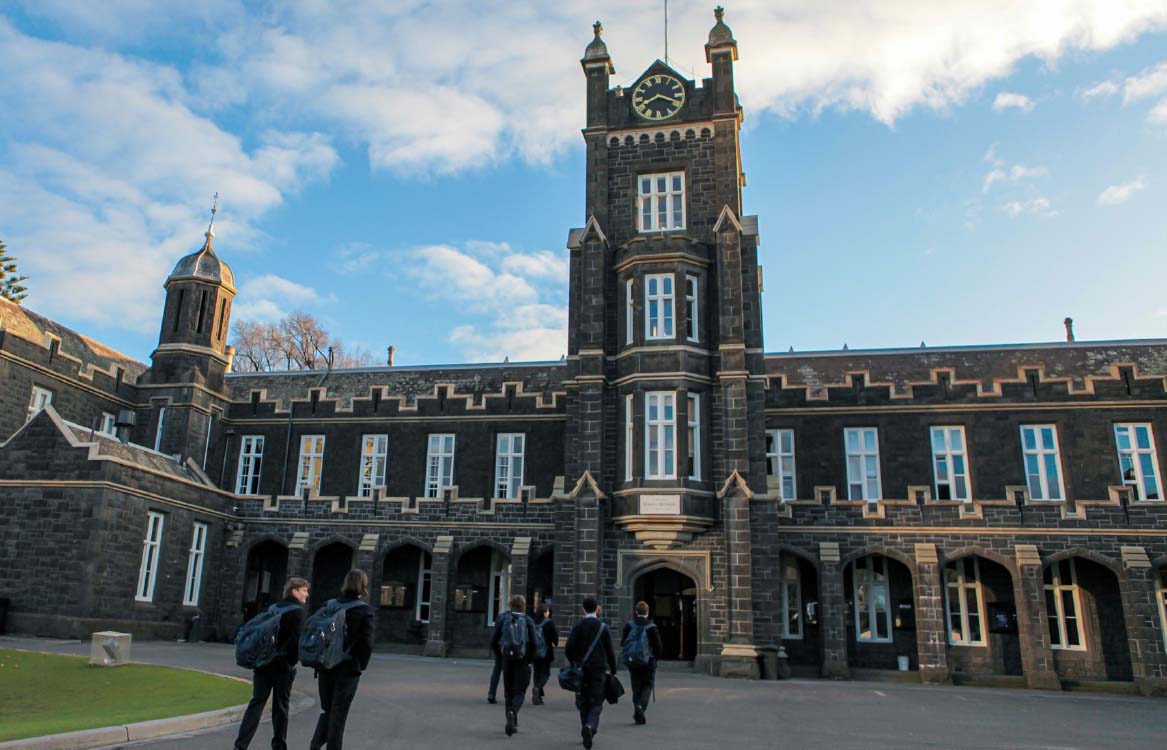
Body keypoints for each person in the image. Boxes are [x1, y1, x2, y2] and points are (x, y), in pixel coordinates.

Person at [233, 578, 309, 750]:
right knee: (280, 707)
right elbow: (295, 641)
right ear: (294, 591)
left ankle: (240, 745)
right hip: (282, 666)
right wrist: (292, 663)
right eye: (304, 590)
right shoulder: (298, 612)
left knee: (256, 703)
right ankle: (279, 745)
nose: (307, 594)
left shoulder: (274, 608)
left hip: (262, 663)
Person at [309, 569, 374, 750]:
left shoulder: (328, 605)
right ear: (362, 586)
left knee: (328, 709)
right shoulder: (364, 610)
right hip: (348, 667)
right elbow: (366, 643)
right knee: (339, 713)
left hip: (325, 665)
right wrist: (361, 665)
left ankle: (315, 745)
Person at [564, 596, 616, 749]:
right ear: (597, 609)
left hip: (581, 669)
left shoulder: (578, 626)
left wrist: (574, 662)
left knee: (583, 699)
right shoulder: (602, 627)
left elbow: (568, 648)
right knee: (597, 701)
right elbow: (610, 651)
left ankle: (585, 726)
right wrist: (613, 669)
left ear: (583, 609)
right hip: (598, 670)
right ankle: (590, 725)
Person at [489, 593, 538, 736]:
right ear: (523, 606)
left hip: (507, 659)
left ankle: (510, 721)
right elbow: (534, 643)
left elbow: (494, 641)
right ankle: (513, 712)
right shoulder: (528, 620)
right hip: (523, 660)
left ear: (510, 605)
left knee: (508, 691)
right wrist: (529, 660)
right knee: (520, 691)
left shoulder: (504, 618)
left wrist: (500, 655)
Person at [621, 600, 663, 725]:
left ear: (636, 612)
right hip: (648, 660)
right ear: (647, 612)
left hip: (633, 660)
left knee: (636, 686)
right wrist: (655, 658)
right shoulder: (651, 627)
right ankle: (641, 707)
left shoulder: (629, 625)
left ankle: (637, 709)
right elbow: (658, 646)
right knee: (647, 685)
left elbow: (623, 642)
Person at [531, 604, 558, 705]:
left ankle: (538, 697)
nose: (549, 613)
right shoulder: (549, 623)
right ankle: (537, 688)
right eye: (547, 611)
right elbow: (555, 639)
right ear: (544, 612)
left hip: (534, 652)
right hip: (546, 652)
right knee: (546, 673)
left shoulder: (533, 622)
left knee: (537, 673)